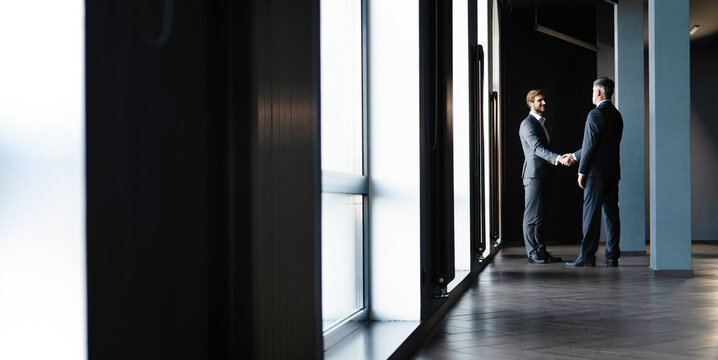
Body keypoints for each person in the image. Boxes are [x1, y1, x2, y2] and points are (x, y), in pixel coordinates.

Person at [565, 77, 623, 267]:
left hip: (595, 173)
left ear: (598, 92)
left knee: (591, 214)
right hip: (612, 172)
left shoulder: (594, 114)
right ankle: (612, 256)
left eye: (592, 91)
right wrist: (574, 155)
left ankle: (587, 256)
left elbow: (590, 146)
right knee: (612, 214)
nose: (591, 94)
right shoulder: (617, 115)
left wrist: (581, 171)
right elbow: (603, 145)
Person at [518, 89, 573, 264]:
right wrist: (558, 158)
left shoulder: (541, 123)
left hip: (545, 175)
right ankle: (532, 252)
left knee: (540, 216)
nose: (544, 103)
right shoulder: (527, 124)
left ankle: (541, 251)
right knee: (531, 216)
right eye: (540, 100)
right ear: (530, 103)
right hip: (534, 176)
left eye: (544, 100)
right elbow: (536, 149)